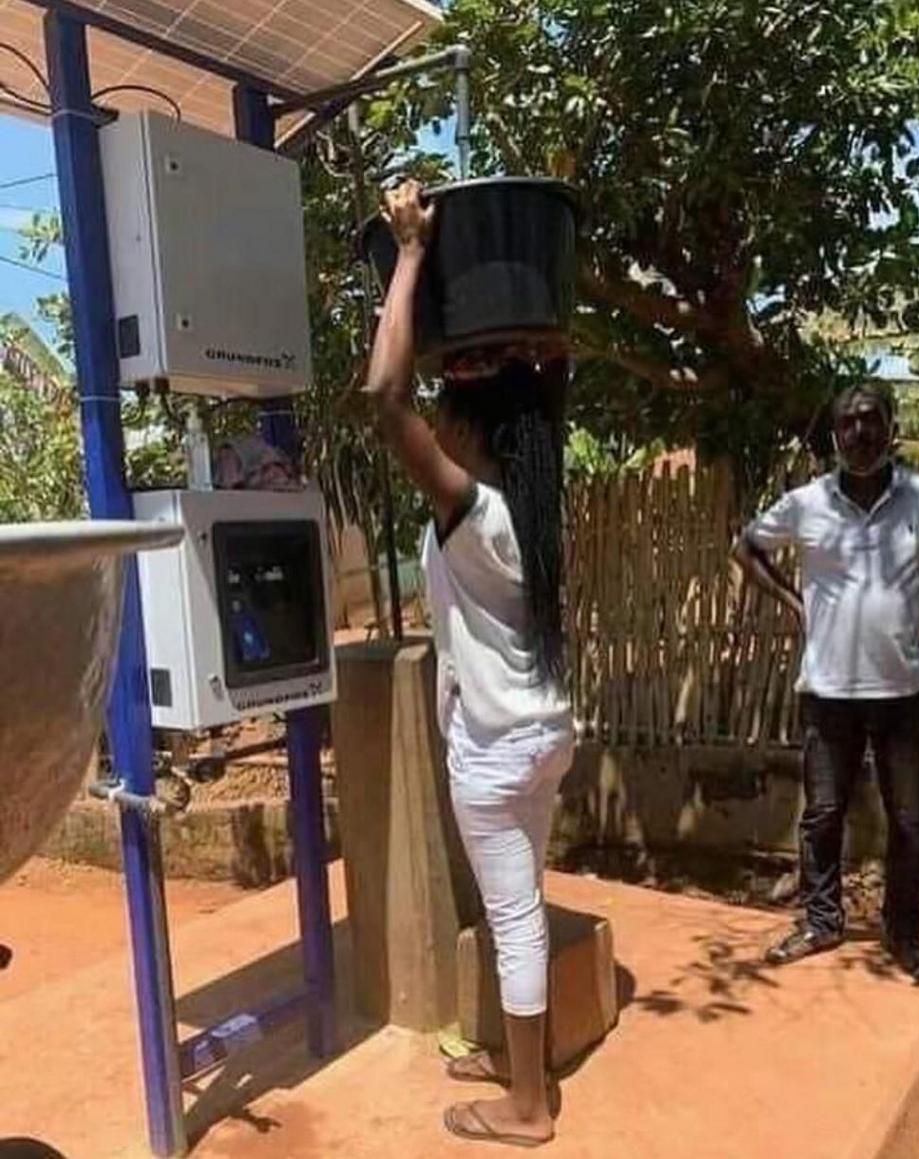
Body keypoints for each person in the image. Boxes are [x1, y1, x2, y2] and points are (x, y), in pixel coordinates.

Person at [365, 180, 575, 1148]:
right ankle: (511, 1056)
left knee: (515, 914)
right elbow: (553, 372)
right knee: (517, 904)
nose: (439, 425)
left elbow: (382, 397)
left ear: (478, 438)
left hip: (494, 752)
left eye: (456, 414)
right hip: (544, 733)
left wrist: (411, 254)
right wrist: (526, 347)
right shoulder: (531, 508)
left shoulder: (473, 509)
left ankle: (525, 1106)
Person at [733, 381, 919, 979]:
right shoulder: (807, 504)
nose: (859, 432)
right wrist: (792, 602)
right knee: (822, 815)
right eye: (847, 423)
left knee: (910, 821)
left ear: (891, 427)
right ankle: (820, 920)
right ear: (834, 435)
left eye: (870, 420)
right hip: (828, 691)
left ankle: (904, 932)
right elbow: (747, 548)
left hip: (906, 692)